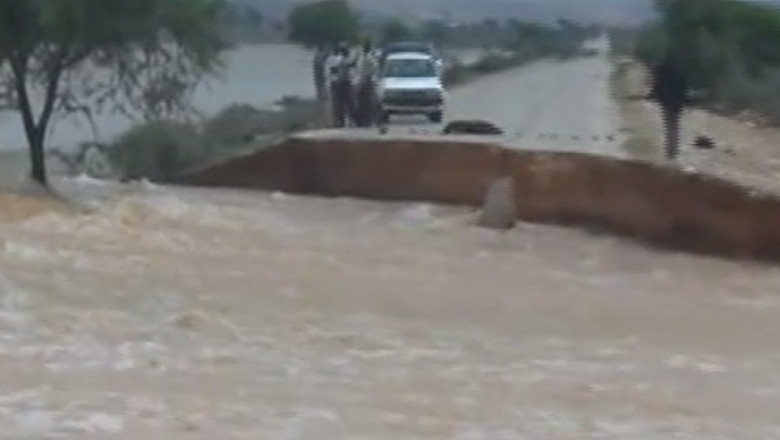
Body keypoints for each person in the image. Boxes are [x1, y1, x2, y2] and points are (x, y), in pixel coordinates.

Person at [649, 53, 690, 161]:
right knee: (674, 126)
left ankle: (670, 151)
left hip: (667, 102)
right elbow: (684, 88)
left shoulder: (662, 73)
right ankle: (673, 151)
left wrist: (654, 96)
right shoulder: (679, 73)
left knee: (669, 126)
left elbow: (656, 87)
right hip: (676, 103)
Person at [326, 43, 355, 128]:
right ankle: (343, 121)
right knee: (344, 103)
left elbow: (334, 71)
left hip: (343, 83)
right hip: (343, 83)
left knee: (343, 103)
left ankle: (344, 121)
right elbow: (334, 70)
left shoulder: (340, 60)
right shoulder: (342, 60)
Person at [352, 39, 379, 127]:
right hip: (361, 81)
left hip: (367, 82)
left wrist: (368, 76)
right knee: (361, 102)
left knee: (367, 102)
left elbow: (375, 68)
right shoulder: (362, 57)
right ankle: (363, 121)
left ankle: (368, 121)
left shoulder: (369, 57)